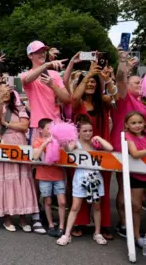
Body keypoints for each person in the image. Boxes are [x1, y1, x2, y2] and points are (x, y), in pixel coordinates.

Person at [20, 41, 69, 233]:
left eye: (44, 52)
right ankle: (36, 212)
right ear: (30, 56)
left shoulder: (55, 75)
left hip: (57, 128)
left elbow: (66, 99)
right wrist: (47, 65)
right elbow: (26, 80)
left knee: (58, 168)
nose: (42, 54)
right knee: (37, 171)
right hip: (37, 127)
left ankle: (56, 214)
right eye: (38, 52)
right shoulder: (28, 74)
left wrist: (54, 85)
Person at [71, 60, 116, 239]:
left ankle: (103, 225)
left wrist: (107, 81)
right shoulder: (78, 104)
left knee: (102, 187)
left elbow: (116, 99)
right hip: (81, 151)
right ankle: (79, 222)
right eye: (87, 81)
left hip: (101, 150)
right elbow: (74, 97)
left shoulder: (103, 101)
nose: (90, 84)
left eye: (93, 82)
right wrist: (89, 74)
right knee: (79, 186)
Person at [0, 82, 39, 232]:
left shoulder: (19, 107)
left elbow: (24, 126)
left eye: (8, 90)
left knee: (22, 180)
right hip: (5, 145)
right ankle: (7, 218)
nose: (6, 92)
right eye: (2, 90)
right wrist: (0, 102)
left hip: (21, 146)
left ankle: (23, 219)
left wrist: (7, 123)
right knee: (7, 179)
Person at [57, 116, 112, 246]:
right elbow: (68, 149)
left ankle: (97, 232)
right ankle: (67, 234)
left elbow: (109, 149)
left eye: (90, 131)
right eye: (85, 131)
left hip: (95, 177)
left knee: (97, 206)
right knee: (75, 206)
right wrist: (64, 138)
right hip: (80, 176)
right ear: (79, 132)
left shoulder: (95, 142)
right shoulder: (76, 142)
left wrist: (99, 138)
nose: (88, 133)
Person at [112, 51, 144, 237]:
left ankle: (136, 227)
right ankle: (124, 224)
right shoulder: (124, 99)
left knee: (138, 193)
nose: (140, 85)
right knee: (125, 189)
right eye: (136, 83)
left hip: (141, 152)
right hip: (123, 149)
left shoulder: (141, 103)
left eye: (140, 83)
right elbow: (119, 80)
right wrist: (123, 62)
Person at [32, 118, 66, 237]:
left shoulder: (59, 140)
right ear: (41, 130)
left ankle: (62, 227)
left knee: (62, 202)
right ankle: (51, 225)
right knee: (48, 201)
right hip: (43, 175)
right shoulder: (37, 141)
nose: (51, 130)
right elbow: (35, 156)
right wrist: (46, 143)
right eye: (48, 128)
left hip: (58, 175)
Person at [123, 111, 146, 247]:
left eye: (139, 122)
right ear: (127, 125)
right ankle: (136, 236)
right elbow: (135, 153)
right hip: (136, 176)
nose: (137, 125)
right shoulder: (127, 136)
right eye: (133, 123)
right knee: (136, 207)